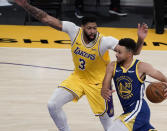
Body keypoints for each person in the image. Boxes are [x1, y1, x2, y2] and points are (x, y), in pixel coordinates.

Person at [14, 0, 148, 131]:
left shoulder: (104, 42)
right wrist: (26, 5)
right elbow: (46, 18)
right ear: (82, 27)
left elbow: (132, 52)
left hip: (99, 84)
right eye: (89, 28)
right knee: (52, 105)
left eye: (95, 28)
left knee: (109, 127)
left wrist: (140, 39)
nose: (92, 31)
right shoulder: (73, 30)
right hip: (78, 78)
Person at [101, 38, 167, 131]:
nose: (116, 54)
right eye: (116, 51)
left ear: (129, 54)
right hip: (128, 111)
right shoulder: (112, 66)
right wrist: (104, 90)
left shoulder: (141, 66)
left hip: (138, 109)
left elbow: (165, 79)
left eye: (120, 52)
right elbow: (105, 83)